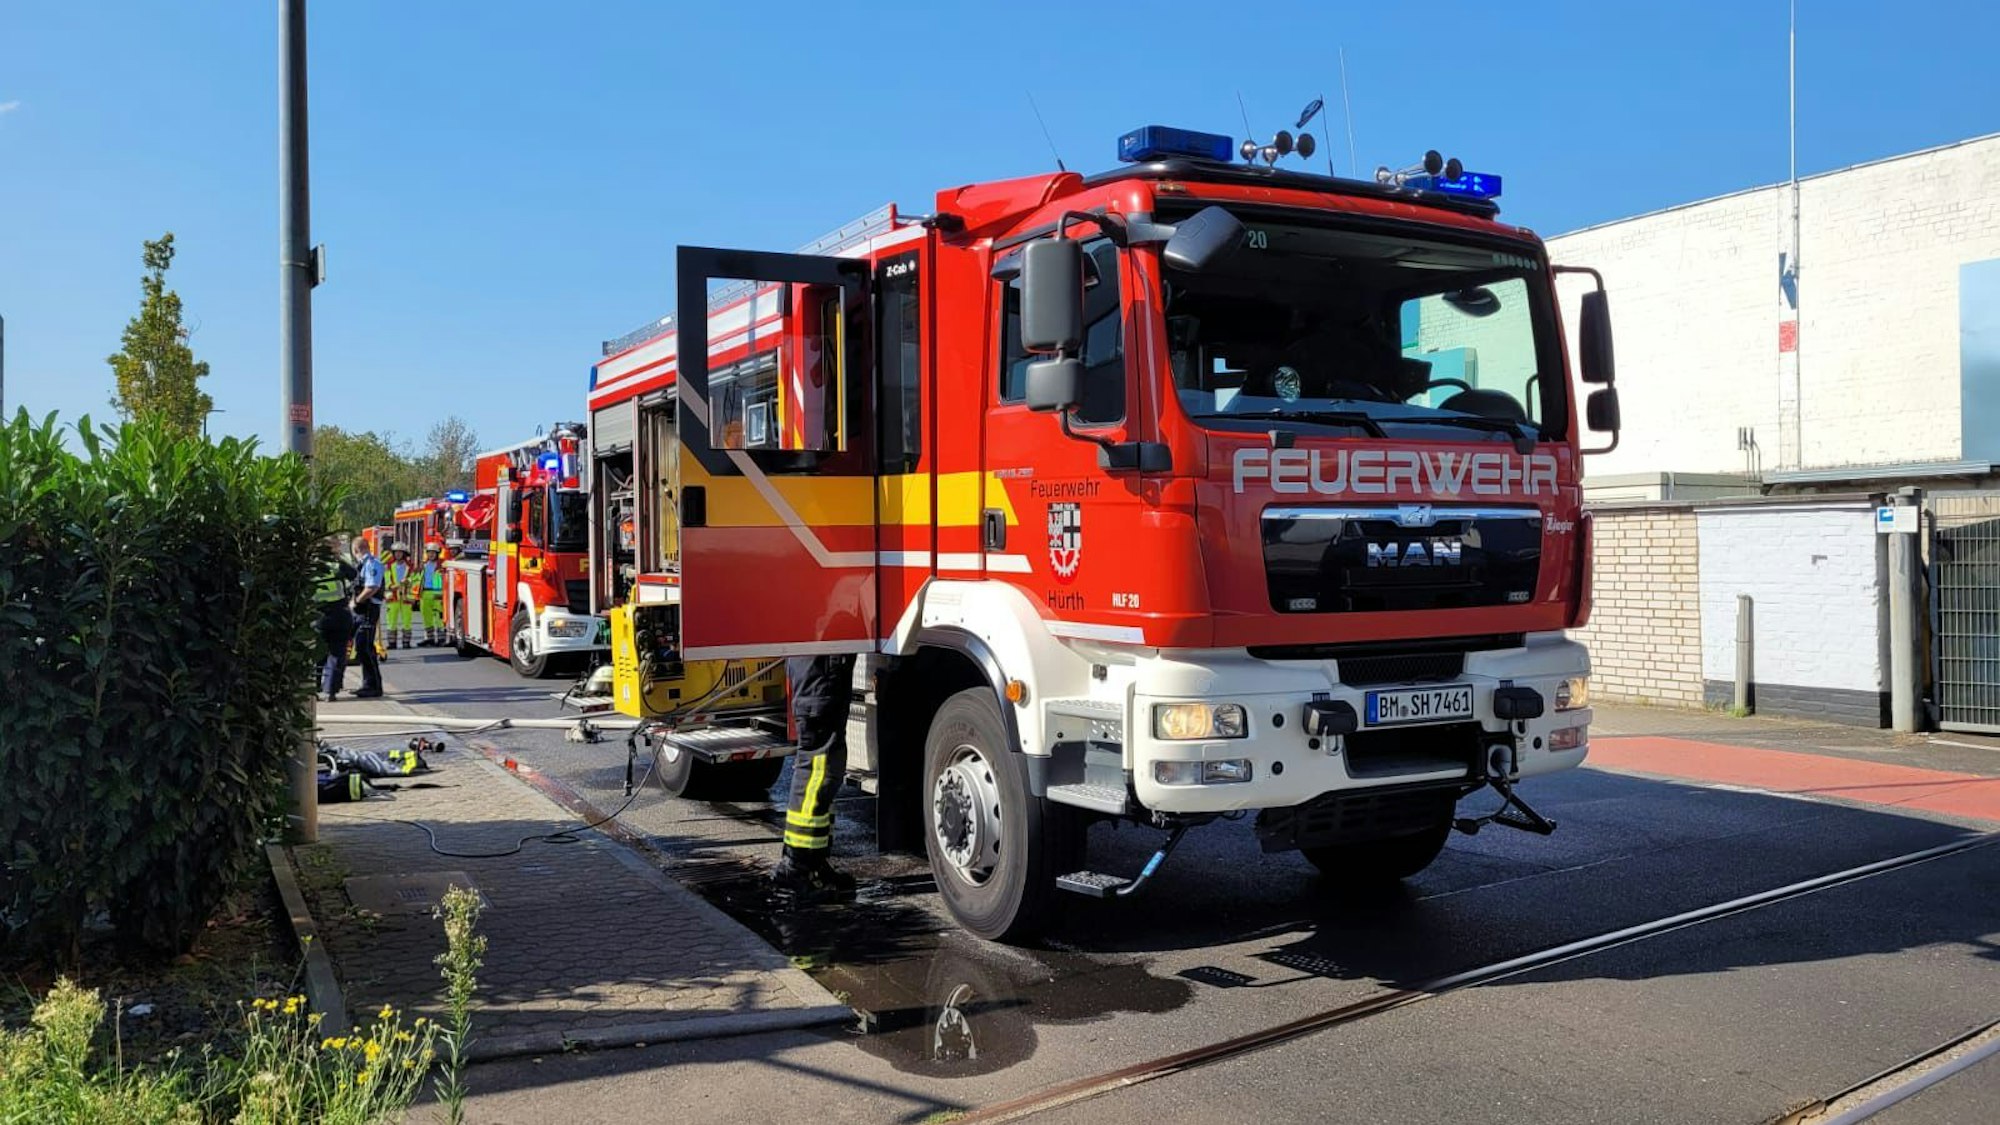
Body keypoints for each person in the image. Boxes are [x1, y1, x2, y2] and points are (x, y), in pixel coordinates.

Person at [771, 653, 858, 898]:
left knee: (824, 775)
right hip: (818, 687)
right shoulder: (817, 638)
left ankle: (814, 864)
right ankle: (796, 866)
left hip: (820, 685)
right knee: (818, 774)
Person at [315, 536, 359, 702]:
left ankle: (315, 687)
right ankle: (330, 691)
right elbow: (355, 575)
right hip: (339, 612)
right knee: (337, 653)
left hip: (318, 615)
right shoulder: (337, 565)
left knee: (318, 653)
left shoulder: (312, 567)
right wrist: (338, 556)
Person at [348, 537, 386, 699]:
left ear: (355, 550)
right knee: (362, 648)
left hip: (368, 609)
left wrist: (356, 601)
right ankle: (367, 684)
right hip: (362, 610)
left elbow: (372, 587)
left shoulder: (372, 564)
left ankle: (374, 686)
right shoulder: (363, 564)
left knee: (365, 647)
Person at [382, 545, 416, 650]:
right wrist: (391, 586)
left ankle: (406, 642)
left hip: (406, 597)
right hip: (393, 597)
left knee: (407, 621)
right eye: (396, 552)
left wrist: (408, 581)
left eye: (400, 552)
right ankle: (392, 643)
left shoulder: (410, 566)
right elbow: (385, 580)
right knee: (391, 621)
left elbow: (415, 579)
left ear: (404, 554)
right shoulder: (388, 566)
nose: (398, 554)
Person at [419, 544, 446, 646]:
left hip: (437, 594)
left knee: (438, 617)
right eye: (429, 552)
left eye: (433, 553)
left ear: (437, 554)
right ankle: (429, 638)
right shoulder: (423, 565)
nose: (431, 555)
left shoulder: (442, 566)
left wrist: (443, 594)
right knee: (426, 617)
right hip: (425, 593)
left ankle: (441, 638)